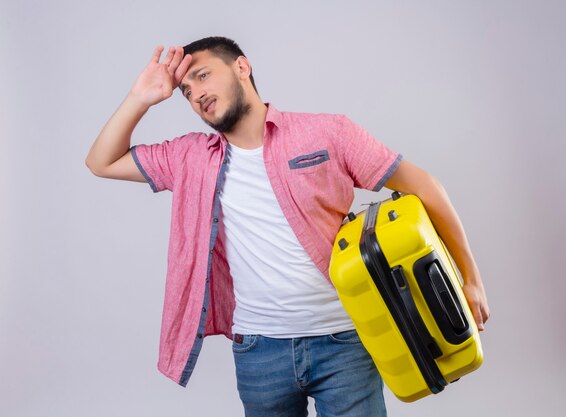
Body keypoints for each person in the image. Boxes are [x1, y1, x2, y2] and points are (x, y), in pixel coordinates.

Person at [85, 36, 489, 417]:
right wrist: (141, 97)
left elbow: (424, 187)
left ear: (242, 67)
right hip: (259, 353)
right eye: (186, 91)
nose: (197, 94)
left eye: (203, 75)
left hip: (346, 341)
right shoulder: (190, 157)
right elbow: (101, 162)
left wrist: (470, 279)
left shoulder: (328, 131)